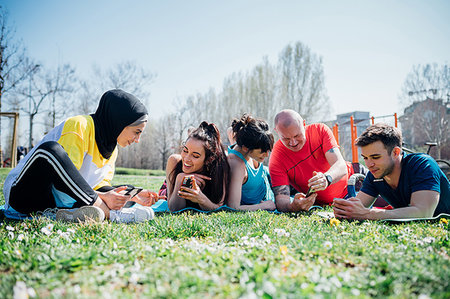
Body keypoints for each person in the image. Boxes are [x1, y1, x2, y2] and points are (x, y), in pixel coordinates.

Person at [3, 89, 160, 223]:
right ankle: (109, 214)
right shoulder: (80, 125)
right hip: (24, 195)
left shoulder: (112, 150)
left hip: (53, 203)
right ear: (119, 122)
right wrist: (101, 200)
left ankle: (71, 213)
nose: (137, 140)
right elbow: (61, 183)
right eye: (137, 132)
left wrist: (133, 195)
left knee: (110, 194)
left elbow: (97, 186)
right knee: (50, 150)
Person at [333, 123, 450, 220]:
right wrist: (344, 209)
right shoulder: (374, 174)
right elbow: (358, 207)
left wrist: (368, 214)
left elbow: (423, 213)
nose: (369, 164)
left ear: (395, 152)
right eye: (365, 158)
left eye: (375, 157)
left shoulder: (422, 165)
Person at [269, 109, 354, 212]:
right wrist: (293, 206)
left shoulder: (320, 130)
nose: (293, 142)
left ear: (304, 124)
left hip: (353, 184)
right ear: (277, 131)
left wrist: (326, 179)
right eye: (286, 139)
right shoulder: (277, 157)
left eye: (297, 135)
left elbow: (340, 166)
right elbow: (281, 200)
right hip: (324, 204)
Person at [165, 121, 230, 212]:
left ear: (209, 160)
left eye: (195, 156)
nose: (187, 159)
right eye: (185, 151)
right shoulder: (174, 161)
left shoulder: (220, 167)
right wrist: (180, 178)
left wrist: (200, 198)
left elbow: (219, 208)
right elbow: (174, 209)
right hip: (166, 191)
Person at [227, 114, 276, 211]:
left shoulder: (248, 144)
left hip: (269, 184)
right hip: (267, 202)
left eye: (268, 151)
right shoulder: (237, 165)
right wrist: (264, 206)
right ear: (245, 148)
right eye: (262, 152)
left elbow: (230, 131)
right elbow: (233, 207)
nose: (267, 155)